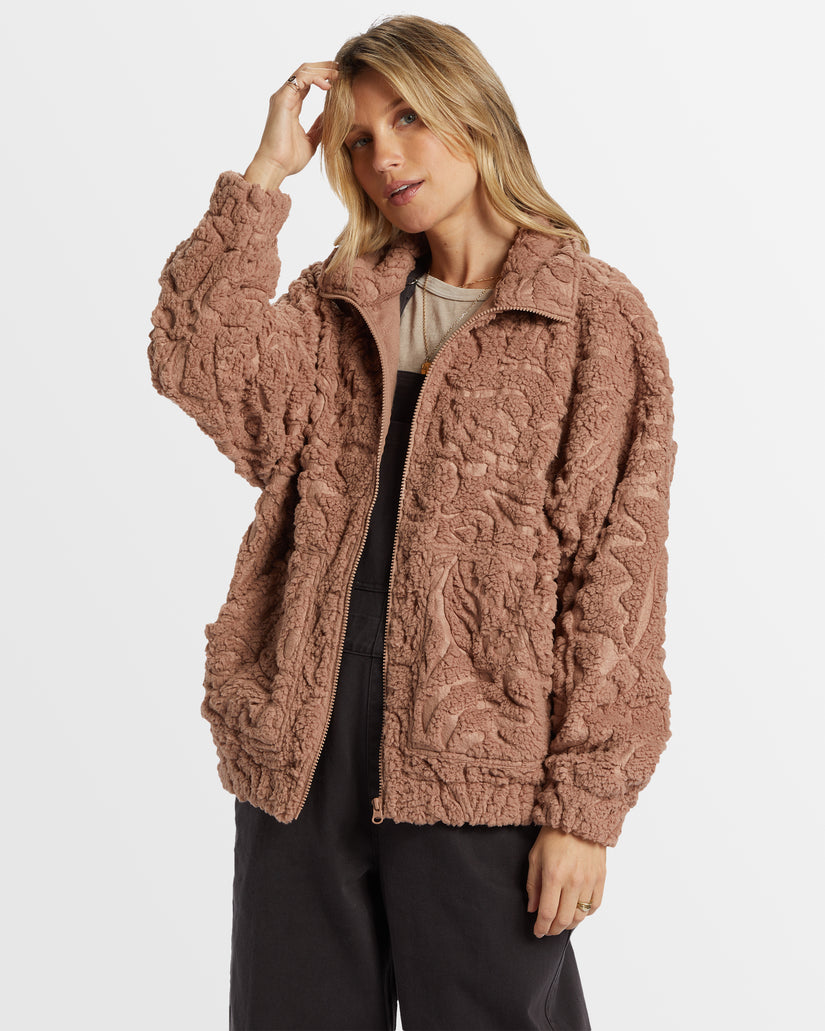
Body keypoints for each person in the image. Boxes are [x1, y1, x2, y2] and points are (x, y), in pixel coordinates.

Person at [148, 14, 677, 1031]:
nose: (382, 156)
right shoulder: (339, 303)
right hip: (303, 751)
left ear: (472, 114)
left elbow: (621, 577)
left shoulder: (593, 320)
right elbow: (195, 359)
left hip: (481, 761)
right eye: (357, 138)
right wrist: (266, 174)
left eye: (407, 119)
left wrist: (584, 807)